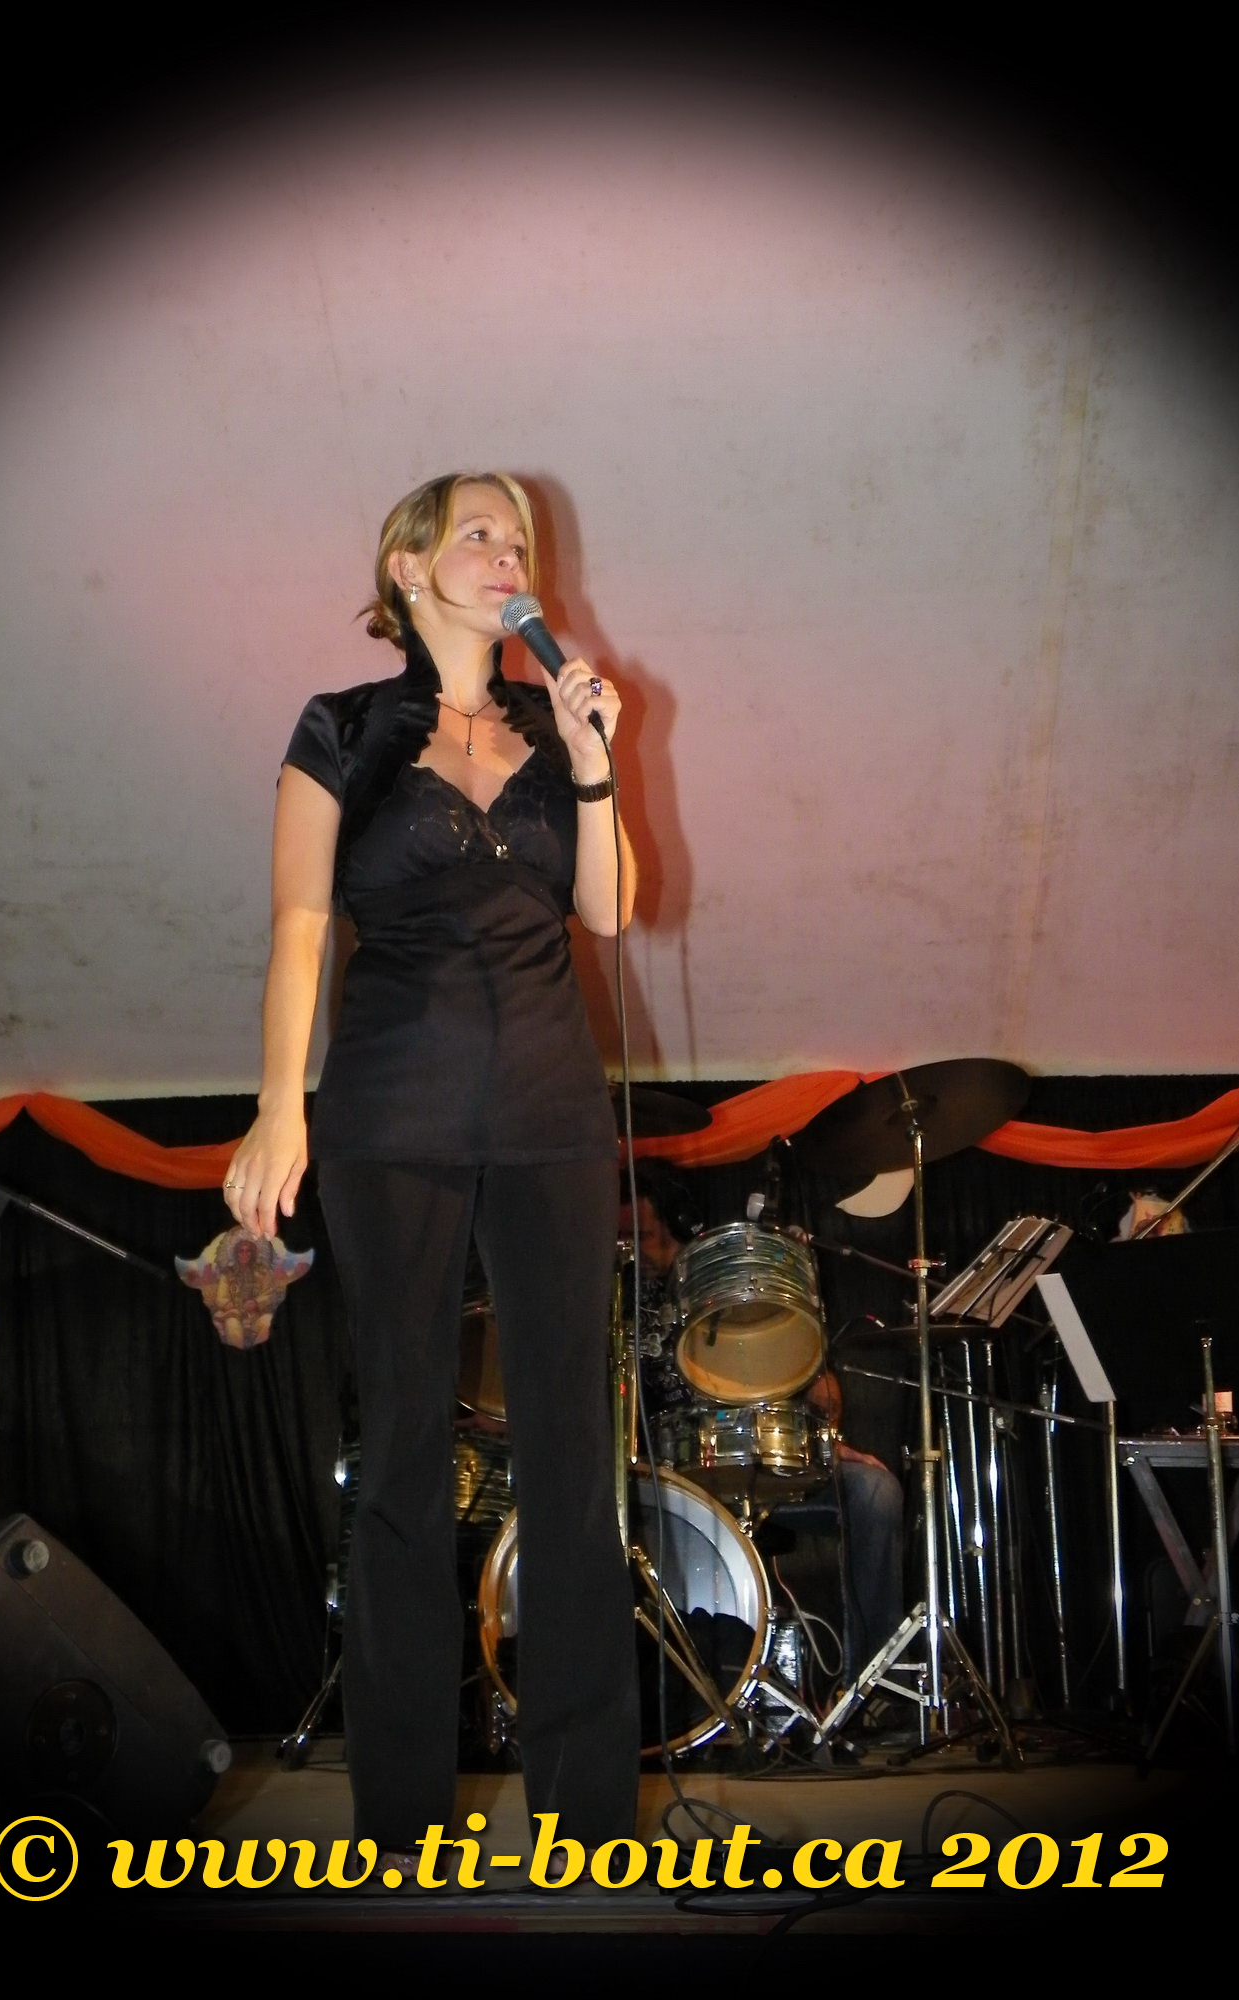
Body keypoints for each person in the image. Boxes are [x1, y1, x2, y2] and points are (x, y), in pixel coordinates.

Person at [224, 472, 641, 1860]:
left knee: (571, 1454)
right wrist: (278, 1107)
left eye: (517, 537)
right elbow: (298, 926)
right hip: (391, 1108)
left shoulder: (551, 723)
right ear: (406, 567)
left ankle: (587, 1810)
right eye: (476, 532)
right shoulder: (341, 727)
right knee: (405, 1446)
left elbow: (611, 908)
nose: (505, 551)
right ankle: (401, 1813)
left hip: (551, 1109)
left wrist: (590, 756)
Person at [627, 1161, 904, 1681]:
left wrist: (828, 1435)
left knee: (875, 1493)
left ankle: (874, 1685)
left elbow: (822, 1390)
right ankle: (691, 1688)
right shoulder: (619, 1300)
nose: (631, 1248)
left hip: (770, 1467)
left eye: (640, 1235)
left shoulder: (728, 1280)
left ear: (677, 1223)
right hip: (675, 1484)